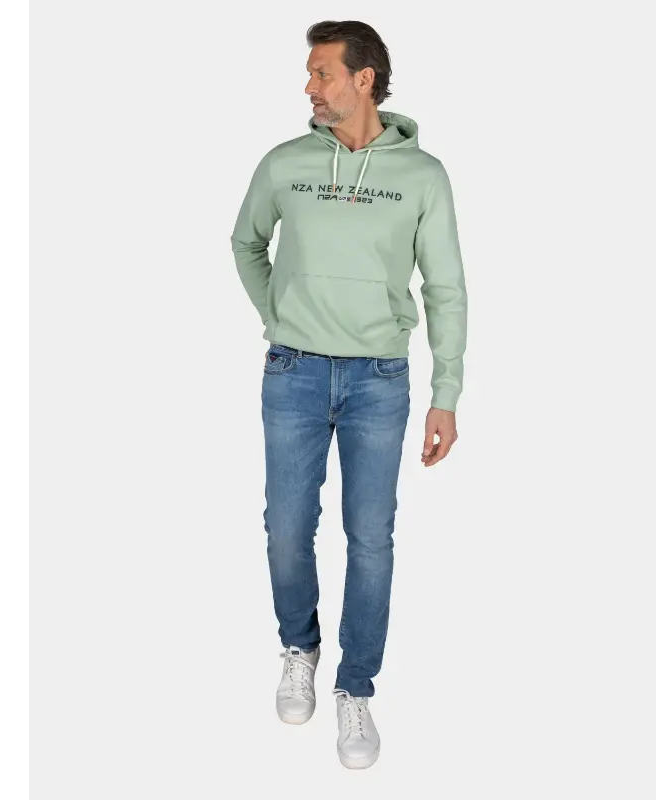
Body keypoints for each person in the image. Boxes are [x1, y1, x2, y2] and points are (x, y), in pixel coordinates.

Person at [230, 19, 468, 770]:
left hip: (379, 380)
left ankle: (355, 687)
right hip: (293, 372)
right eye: (310, 73)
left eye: (322, 72)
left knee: (370, 538)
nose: (310, 86)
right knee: (285, 528)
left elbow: (445, 287)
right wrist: (277, 315)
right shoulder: (284, 162)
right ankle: (298, 649)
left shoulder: (423, 175)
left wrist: (446, 391)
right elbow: (245, 242)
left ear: (364, 80)